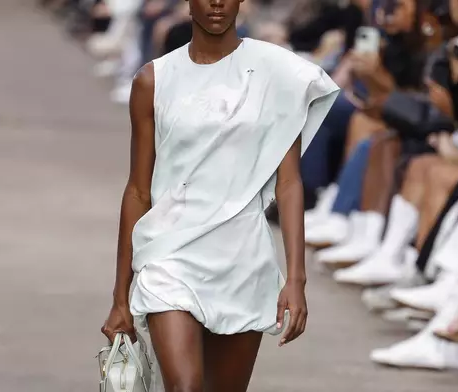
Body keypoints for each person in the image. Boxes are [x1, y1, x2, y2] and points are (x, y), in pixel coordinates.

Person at [100, 0, 340, 389]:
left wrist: (296, 279)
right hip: (169, 254)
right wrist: (120, 297)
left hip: (241, 256)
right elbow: (139, 190)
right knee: (185, 387)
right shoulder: (154, 80)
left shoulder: (278, 72)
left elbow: (289, 182)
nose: (216, 2)